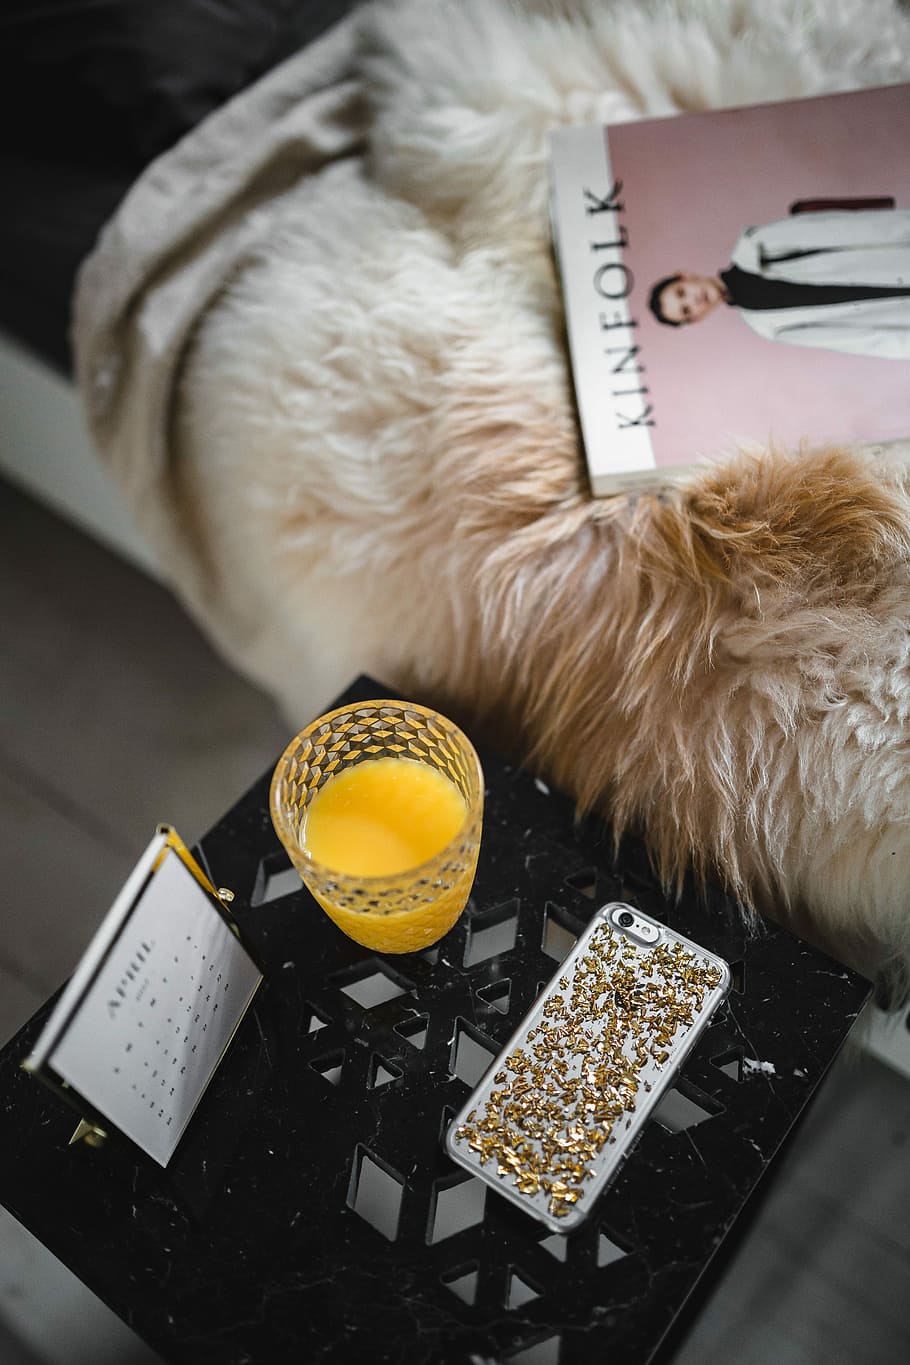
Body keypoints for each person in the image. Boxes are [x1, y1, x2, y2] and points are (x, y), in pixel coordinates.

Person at [648, 203, 910, 359]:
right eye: (686, 310)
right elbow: (858, 340)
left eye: (682, 292)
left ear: (684, 276)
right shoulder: (767, 326)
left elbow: (853, 230)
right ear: (696, 318)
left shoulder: (756, 245)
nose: (693, 300)